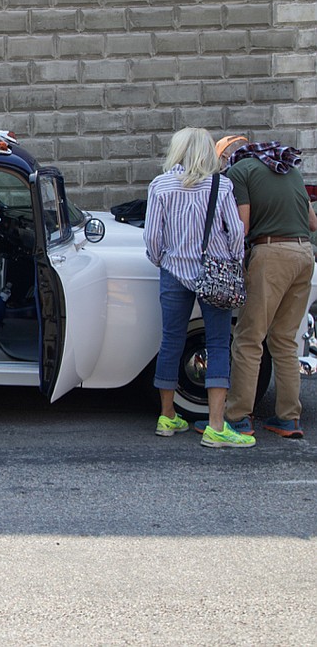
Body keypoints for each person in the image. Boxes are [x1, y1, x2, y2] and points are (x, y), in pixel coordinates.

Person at [144, 127, 253, 447]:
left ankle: (167, 417)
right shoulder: (222, 186)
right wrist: (232, 261)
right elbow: (236, 234)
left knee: (171, 341)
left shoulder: (160, 185)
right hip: (215, 273)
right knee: (218, 344)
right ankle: (216, 427)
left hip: (173, 271)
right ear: (208, 152)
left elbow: (152, 238)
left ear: (176, 151)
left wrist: (162, 259)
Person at [217, 136, 317, 438]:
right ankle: (288, 419)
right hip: (304, 254)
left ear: (229, 157)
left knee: (249, 338)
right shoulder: (290, 169)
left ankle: (237, 418)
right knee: (285, 341)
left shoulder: (240, 171)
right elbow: (312, 223)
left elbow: (242, 226)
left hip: (271, 254)